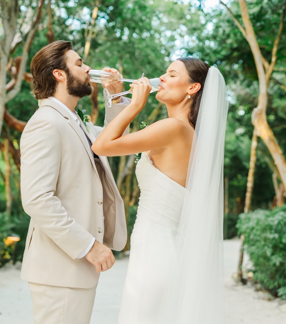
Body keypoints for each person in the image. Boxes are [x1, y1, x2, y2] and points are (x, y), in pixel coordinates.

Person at [92, 58, 228, 324]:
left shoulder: (173, 128)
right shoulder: (188, 133)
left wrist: (135, 104)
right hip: (166, 249)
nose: (161, 78)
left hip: (156, 251)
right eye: (163, 73)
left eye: (172, 74)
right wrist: (115, 93)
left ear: (192, 88)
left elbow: (102, 146)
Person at [20, 40, 128, 324]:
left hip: (71, 271)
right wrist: (90, 246)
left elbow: (112, 141)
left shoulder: (73, 120)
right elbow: (37, 199)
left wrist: (116, 97)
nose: (88, 68)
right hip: (59, 269)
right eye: (79, 64)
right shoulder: (46, 122)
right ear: (59, 74)